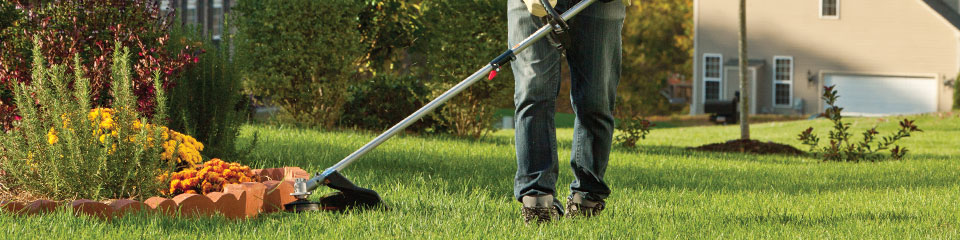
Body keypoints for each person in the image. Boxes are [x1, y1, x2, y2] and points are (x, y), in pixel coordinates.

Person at [509, 0, 626, 223]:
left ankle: (587, 199)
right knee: (532, 91)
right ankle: (537, 201)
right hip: (532, 4)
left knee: (596, 98)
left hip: (600, 5)